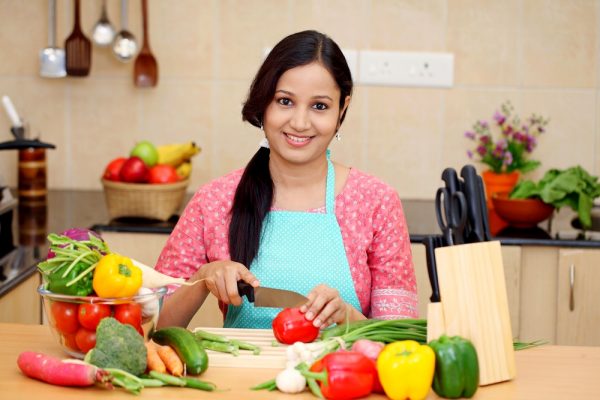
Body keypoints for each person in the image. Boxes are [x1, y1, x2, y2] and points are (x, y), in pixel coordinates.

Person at [155, 30, 417, 330]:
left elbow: (402, 341)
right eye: (285, 101)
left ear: (342, 108)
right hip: (244, 376)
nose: (300, 123)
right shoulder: (214, 200)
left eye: (320, 106)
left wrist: (347, 316)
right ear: (264, 104)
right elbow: (154, 326)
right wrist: (202, 278)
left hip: (343, 375)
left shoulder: (376, 201)